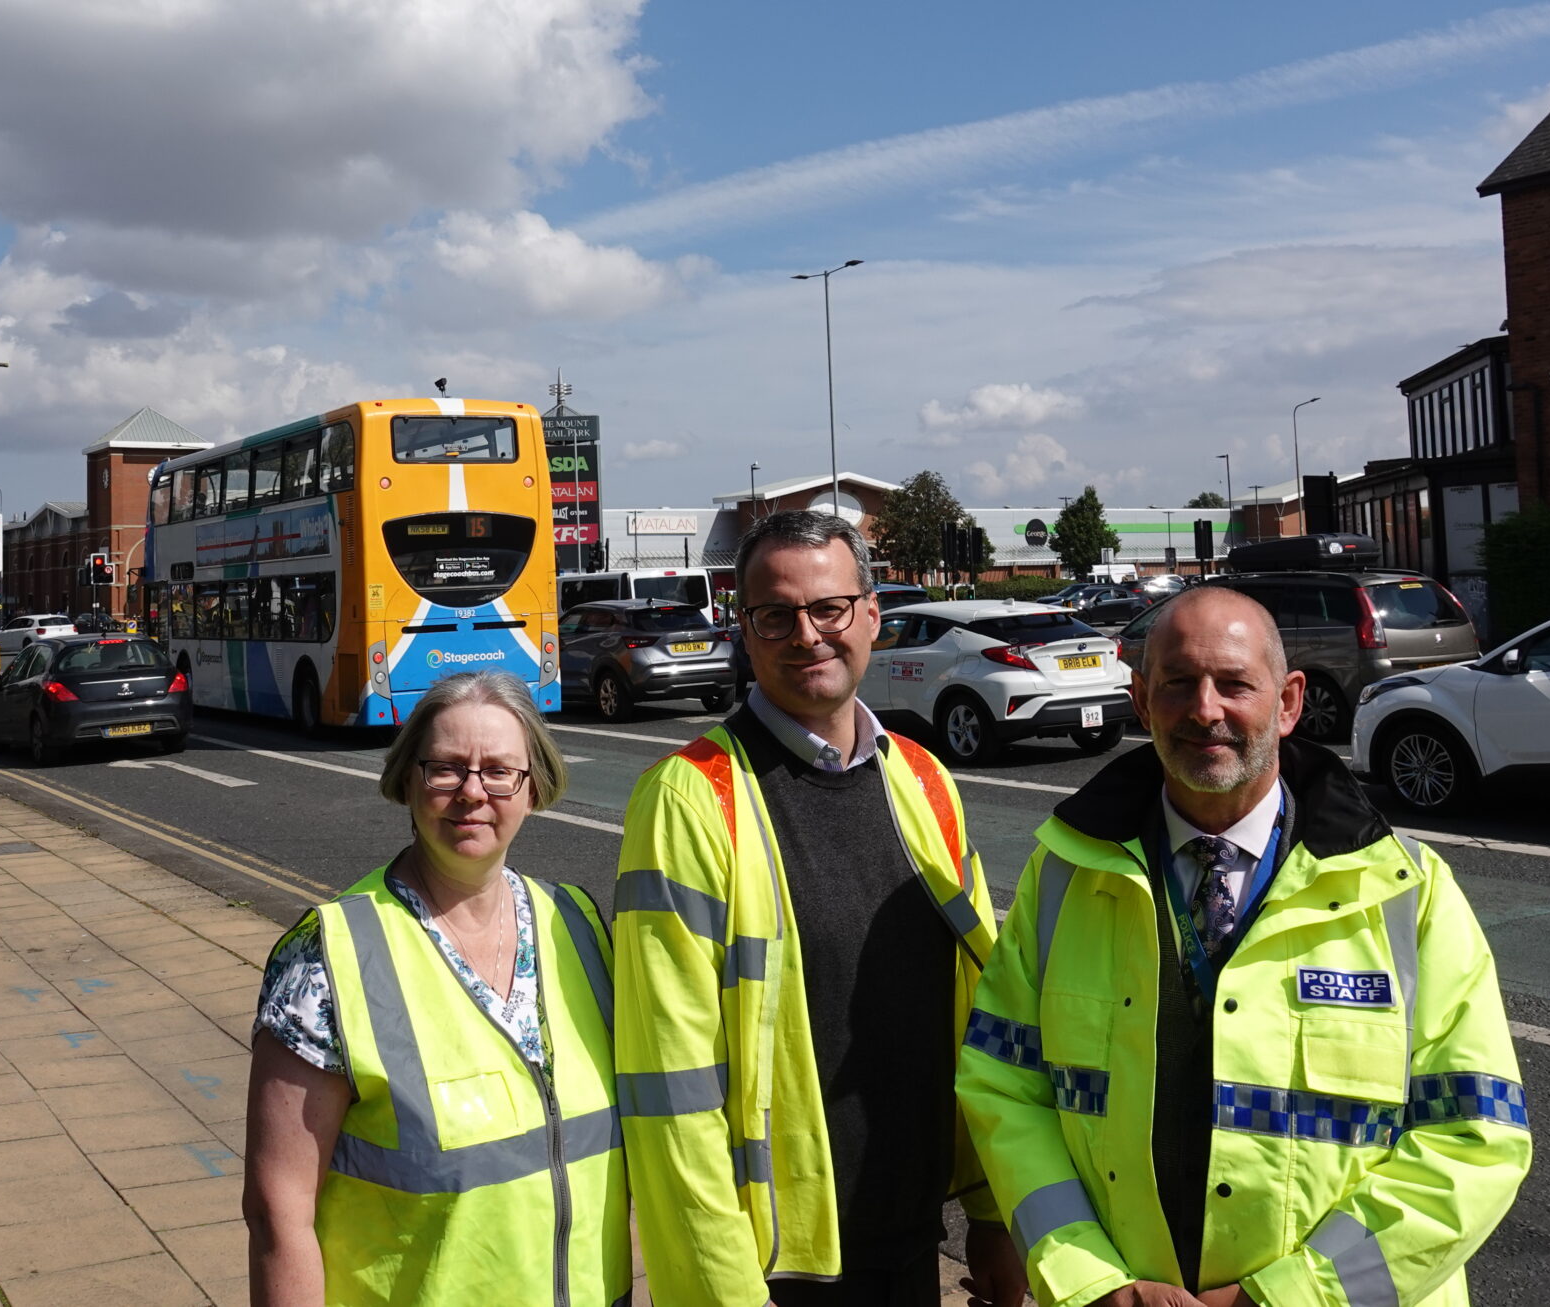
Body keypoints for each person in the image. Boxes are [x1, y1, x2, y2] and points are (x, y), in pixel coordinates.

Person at [957, 587, 1531, 1307]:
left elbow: (1476, 1136)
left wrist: (1280, 1297)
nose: (1205, 710)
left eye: (1234, 683)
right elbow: (1005, 1088)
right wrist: (1092, 1282)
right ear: (1141, 700)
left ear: (1289, 702)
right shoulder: (1063, 873)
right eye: (1178, 684)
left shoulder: (1407, 891)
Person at [614, 509, 1027, 1307]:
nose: (806, 634)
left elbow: (983, 1016)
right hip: (776, 1271)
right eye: (776, 614)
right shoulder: (692, 798)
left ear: (871, 615)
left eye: (828, 607)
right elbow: (670, 1085)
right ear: (745, 630)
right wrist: (722, 1291)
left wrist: (992, 1212)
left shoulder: (924, 778)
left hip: (910, 1243)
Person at [244, 671, 628, 1307]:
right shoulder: (329, 956)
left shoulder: (579, 927)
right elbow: (277, 1214)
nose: (472, 792)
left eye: (499, 771)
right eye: (445, 769)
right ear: (409, 781)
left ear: (533, 788)